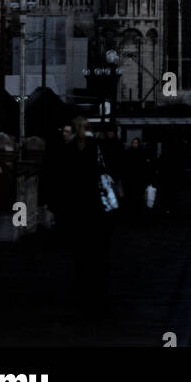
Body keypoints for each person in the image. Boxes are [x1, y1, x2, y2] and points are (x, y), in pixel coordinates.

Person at [52, 116, 112, 305]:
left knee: (80, 246)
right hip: (94, 201)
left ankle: (81, 280)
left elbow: (63, 175)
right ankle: (96, 282)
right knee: (96, 244)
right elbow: (103, 169)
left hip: (76, 202)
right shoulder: (96, 145)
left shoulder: (69, 148)